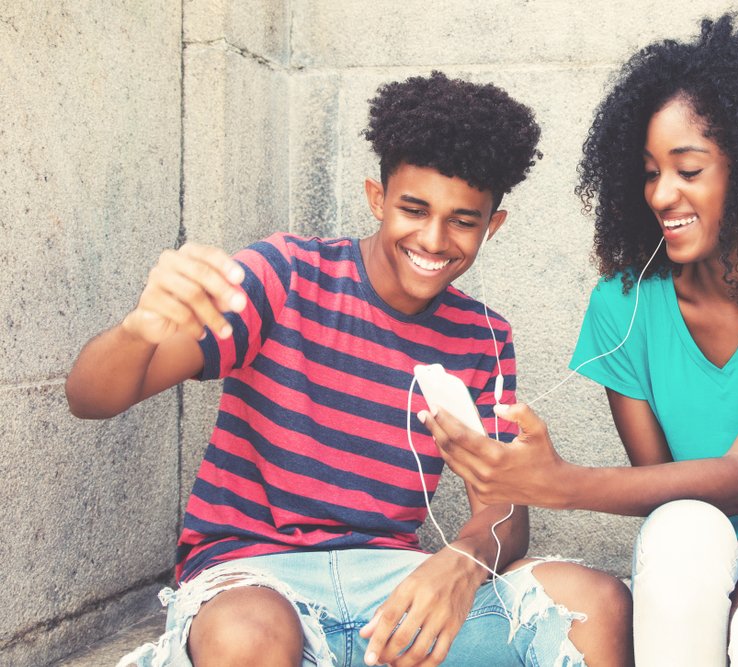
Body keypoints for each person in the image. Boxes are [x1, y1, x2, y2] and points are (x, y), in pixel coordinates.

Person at [65, 71, 632, 667]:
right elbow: (89, 397)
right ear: (376, 198)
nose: (434, 239)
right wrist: (139, 330)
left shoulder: (483, 336)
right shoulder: (285, 275)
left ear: (493, 226)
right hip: (254, 578)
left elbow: (504, 516)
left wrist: (463, 562)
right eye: (413, 209)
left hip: (390, 590)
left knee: (594, 603)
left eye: (463, 221)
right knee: (248, 638)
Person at [423, 15, 738, 667]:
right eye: (651, 172)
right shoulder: (623, 306)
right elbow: (669, 492)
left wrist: (555, 482)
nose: (661, 194)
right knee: (685, 528)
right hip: (690, 581)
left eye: (688, 169)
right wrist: (731, 564)